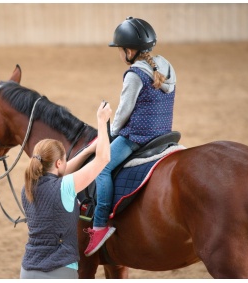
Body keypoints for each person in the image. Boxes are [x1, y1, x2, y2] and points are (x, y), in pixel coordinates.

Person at [84, 16, 177, 257]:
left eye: (120, 50)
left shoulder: (135, 74)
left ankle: (100, 224)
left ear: (128, 50)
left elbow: (123, 112)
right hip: (163, 134)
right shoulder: (166, 66)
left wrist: (110, 133)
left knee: (101, 167)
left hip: (138, 137)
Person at [20, 101, 112, 279]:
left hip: (28, 271)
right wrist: (102, 121)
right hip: (61, 271)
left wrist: (86, 151)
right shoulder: (65, 187)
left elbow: (59, 173)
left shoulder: (28, 187)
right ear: (58, 163)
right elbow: (103, 159)